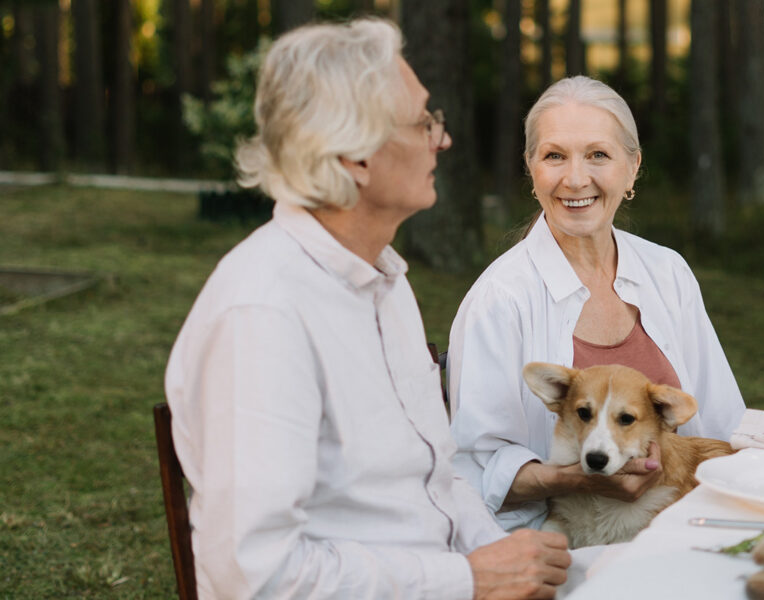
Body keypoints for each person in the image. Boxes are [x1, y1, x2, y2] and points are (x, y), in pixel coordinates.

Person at [164, 19, 571, 599]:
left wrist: (500, 556)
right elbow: (256, 577)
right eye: (423, 122)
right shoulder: (263, 315)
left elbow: (438, 480)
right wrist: (471, 579)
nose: (443, 139)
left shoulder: (383, 279)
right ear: (355, 156)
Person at [447, 76, 746, 533]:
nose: (575, 178)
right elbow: (474, 470)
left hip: (685, 524)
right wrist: (584, 481)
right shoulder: (500, 299)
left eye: (598, 155)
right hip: (557, 544)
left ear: (632, 168)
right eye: (554, 156)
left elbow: (724, 423)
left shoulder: (667, 273)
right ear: (532, 169)